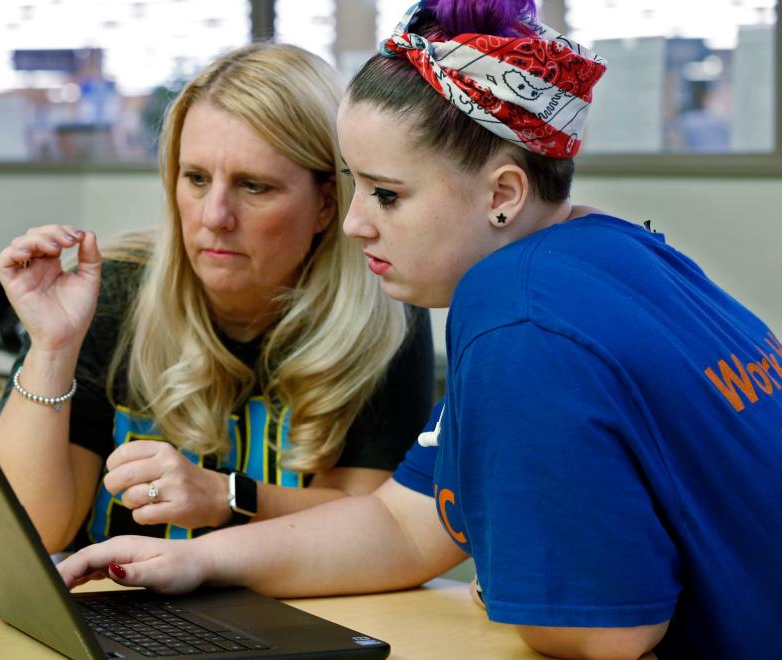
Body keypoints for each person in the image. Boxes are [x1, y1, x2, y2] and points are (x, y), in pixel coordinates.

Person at [55, 2, 782, 659]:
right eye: (355, 183)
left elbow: (603, 631)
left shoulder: (516, 311)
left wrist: (510, 584)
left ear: (503, 194)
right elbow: (406, 526)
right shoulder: (613, 250)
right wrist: (199, 561)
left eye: (388, 194)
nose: (352, 222)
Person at [0, 43, 434, 554]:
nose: (214, 215)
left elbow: (380, 529)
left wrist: (227, 497)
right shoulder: (112, 294)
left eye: (254, 187)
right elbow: (28, 535)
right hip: (119, 619)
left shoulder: (383, 312)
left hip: (294, 620)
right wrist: (52, 348)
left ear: (326, 205)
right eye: (196, 179)